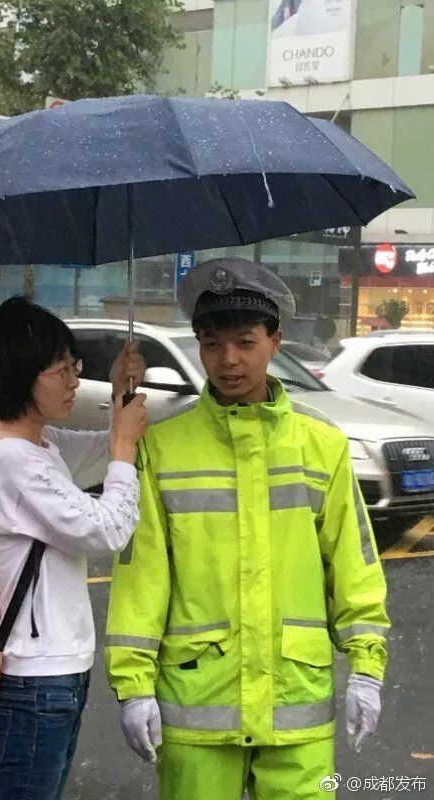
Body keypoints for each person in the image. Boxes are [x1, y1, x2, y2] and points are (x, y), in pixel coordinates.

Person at [105, 258, 389, 800]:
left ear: (275, 341)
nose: (228, 360)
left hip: (295, 705)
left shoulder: (322, 445)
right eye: (212, 344)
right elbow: (142, 579)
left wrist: (367, 666)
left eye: (245, 342)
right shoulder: (162, 447)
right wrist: (133, 685)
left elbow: (353, 566)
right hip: (197, 706)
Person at [0, 296, 148, 800]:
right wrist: (124, 448)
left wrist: (120, 395)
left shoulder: (39, 446)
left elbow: (101, 452)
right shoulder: (10, 459)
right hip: (34, 679)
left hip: (56, 672)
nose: (74, 381)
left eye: (75, 366)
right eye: (61, 370)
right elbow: (108, 530)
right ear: (21, 376)